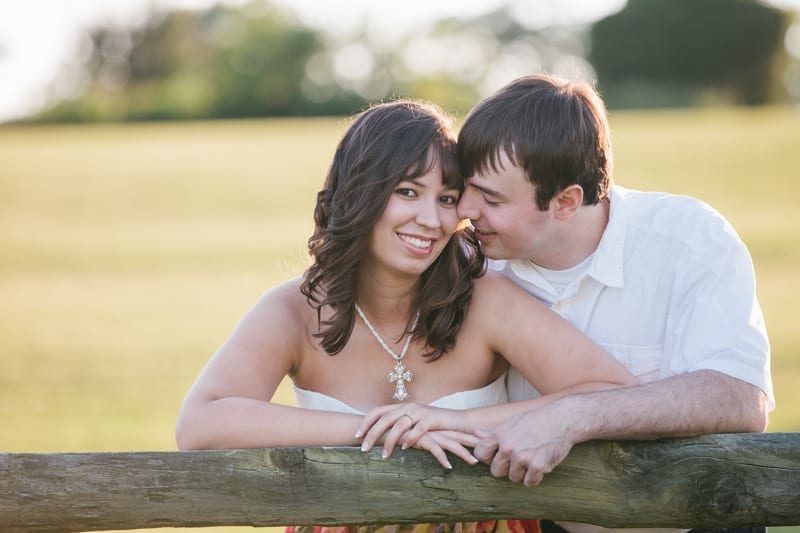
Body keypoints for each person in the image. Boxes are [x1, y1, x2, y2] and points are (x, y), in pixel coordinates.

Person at [175, 99, 636, 533]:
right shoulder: (295, 308)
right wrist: (378, 430)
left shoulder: (485, 299)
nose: (430, 220)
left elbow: (610, 390)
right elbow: (200, 424)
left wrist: (452, 422)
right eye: (408, 191)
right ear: (361, 192)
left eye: (447, 198)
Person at [450, 74, 773, 532]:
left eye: (491, 199)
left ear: (566, 202)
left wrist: (571, 415)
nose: (464, 208)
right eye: (467, 188)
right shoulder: (468, 264)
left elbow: (739, 400)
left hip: (695, 520)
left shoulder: (689, 238)